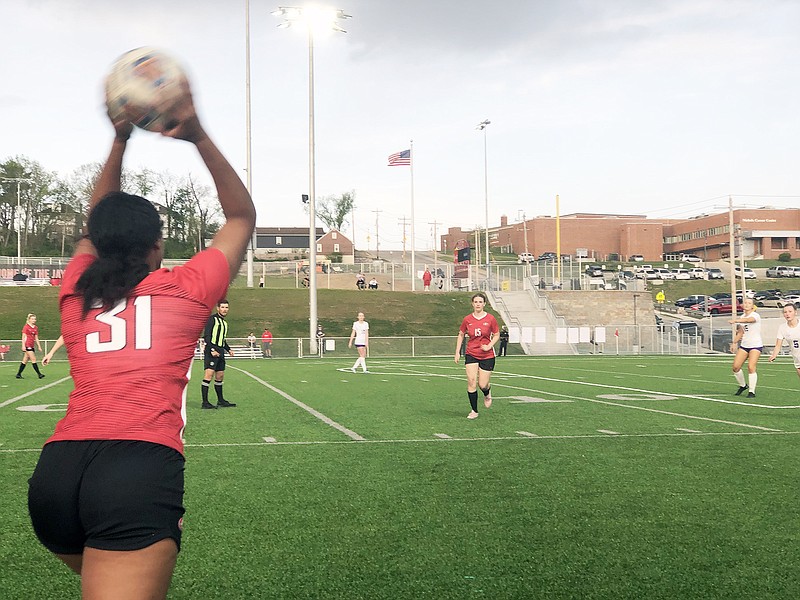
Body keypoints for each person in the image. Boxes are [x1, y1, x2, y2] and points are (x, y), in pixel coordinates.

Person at [27, 76, 255, 600]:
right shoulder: (189, 288)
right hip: (135, 471)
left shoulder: (76, 291)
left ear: (97, 246)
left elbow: (94, 225)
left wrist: (119, 139)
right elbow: (241, 215)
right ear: (158, 246)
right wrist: (197, 134)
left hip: (57, 475)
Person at [454, 292, 499, 419]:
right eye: (476, 302)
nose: (478, 304)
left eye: (480, 302)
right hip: (471, 353)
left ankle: (487, 392)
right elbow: (461, 334)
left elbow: (496, 335)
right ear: (472, 304)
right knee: (471, 381)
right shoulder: (467, 319)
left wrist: (489, 346)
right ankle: (474, 410)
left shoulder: (490, 318)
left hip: (487, 355)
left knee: (482, 384)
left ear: (484, 304)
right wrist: (457, 352)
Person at [201, 300, 236, 408]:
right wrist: (212, 350)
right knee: (209, 375)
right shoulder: (212, 319)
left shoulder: (224, 323)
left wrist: (228, 349)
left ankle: (220, 400)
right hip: (211, 350)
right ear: (218, 308)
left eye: (226, 307)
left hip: (220, 351)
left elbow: (222, 339)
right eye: (223, 307)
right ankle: (205, 402)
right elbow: (206, 336)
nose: (225, 309)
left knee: (220, 376)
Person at [730, 297, 762, 398]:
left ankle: (752, 391)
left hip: (755, 345)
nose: (746, 304)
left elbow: (749, 320)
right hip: (745, 345)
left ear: (752, 306)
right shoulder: (742, 316)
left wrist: (736, 321)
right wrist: (734, 342)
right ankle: (743, 385)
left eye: (749, 303)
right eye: (745, 303)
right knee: (735, 367)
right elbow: (741, 332)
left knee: (751, 367)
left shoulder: (755, 315)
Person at [767, 303, 800, 381]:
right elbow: (778, 345)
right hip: (797, 358)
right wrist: (774, 355)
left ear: (795, 312)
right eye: (785, 312)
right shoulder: (782, 328)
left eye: (790, 311)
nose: (787, 314)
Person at [16, 313, 45, 379]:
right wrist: (23, 346)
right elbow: (23, 337)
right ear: (29, 319)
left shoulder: (35, 327)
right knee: (33, 359)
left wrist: (39, 346)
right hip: (27, 345)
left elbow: (36, 338)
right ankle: (39, 374)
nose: (34, 320)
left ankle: (18, 374)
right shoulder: (26, 327)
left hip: (32, 345)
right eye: (32, 319)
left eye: (34, 319)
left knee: (25, 360)